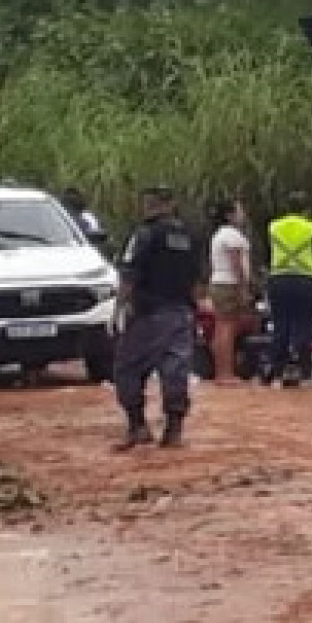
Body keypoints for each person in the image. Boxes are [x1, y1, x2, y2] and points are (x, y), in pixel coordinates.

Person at [113, 185, 204, 450]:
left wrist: (119, 307)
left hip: (148, 313)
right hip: (181, 312)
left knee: (128, 367)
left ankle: (137, 426)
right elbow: (198, 277)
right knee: (175, 369)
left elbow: (129, 274)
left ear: (149, 204)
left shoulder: (144, 234)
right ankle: (174, 430)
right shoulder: (189, 235)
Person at [265, 192, 312, 388]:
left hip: (279, 279)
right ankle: (305, 371)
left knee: (280, 325)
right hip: (305, 281)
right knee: (304, 325)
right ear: (306, 210)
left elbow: (268, 253)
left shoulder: (274, 227)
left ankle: (277, 371)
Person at [206, 199, 257, 384]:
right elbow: (236, 263)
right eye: (239, 211)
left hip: (219, 281)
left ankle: (220, 371)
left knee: (221, 328)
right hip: (229, 284)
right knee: (227, 328)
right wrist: (243, 288)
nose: (243, 214)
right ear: (229, 215)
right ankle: (225, 373)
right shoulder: (232, 235)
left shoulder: (219, 235)